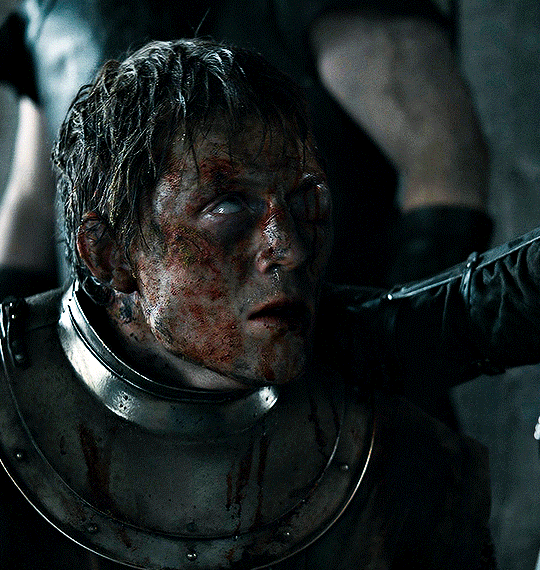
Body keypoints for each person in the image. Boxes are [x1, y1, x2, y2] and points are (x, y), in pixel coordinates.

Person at [2, 37, 537, 570]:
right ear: (109, 252)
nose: (291, 247)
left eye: (307, 199)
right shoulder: (12, 423)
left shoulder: (401, 460)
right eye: (227, 206)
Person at [0, 0, 492, 295]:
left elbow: (446, 167)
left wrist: (386, 344)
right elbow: (34, 202)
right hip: (127, 395)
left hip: (328, 373)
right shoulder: (49, 12)